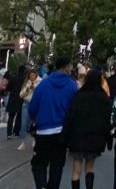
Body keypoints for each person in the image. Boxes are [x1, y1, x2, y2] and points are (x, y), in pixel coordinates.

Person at [28, 56, 78, 189]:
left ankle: (41, 185)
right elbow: (75, 110)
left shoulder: (44, 84)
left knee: (39, 164)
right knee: (57, 166)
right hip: (61, 132)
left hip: (43, 131)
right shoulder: (72, 86)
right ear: (66, 67)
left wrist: (35, 119)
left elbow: (32, 108)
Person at [62, 69, 112, 189]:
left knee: (76, 170)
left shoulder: (78, 96)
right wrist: (108, 139)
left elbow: (70, 117)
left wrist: (64, 136)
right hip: (95, 138)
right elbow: (107, 121)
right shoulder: (104, 98)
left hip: (77, 137)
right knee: (89, 168)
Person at [17, 67, 40, 151]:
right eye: (30, 76)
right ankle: (22, 142)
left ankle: (34, 139)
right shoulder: (27, 83)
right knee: (24, 124)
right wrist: (27, 89)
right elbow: (20, 95)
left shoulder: (40, 82)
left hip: (35, 105)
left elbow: (41, 92)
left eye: (33, 75)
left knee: (34, 123)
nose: (32, 77)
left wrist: (35, 88)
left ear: (36, 75)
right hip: (26, 104)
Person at [6, 64, 26, 140]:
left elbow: (8, 88)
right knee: (19, 116)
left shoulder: (13, 77)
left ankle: (9, 133)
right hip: (21, 99)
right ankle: (16, 132)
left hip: (12, 98)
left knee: (11, 117)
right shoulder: (25, 79)